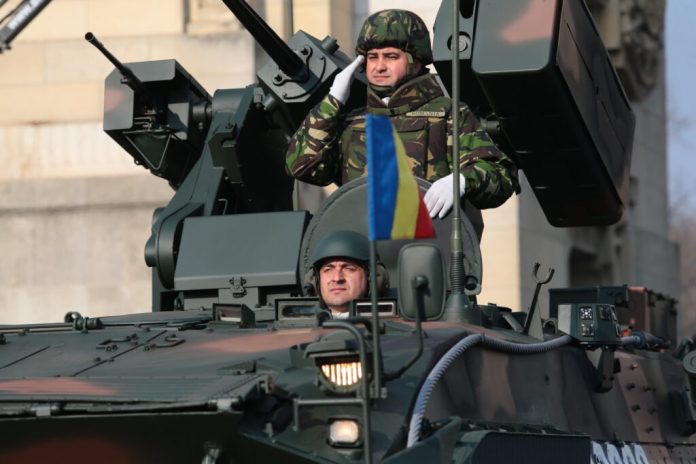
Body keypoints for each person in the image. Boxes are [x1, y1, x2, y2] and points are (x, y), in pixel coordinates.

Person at [286, 9, 519, 219]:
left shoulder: (448, 115)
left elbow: (501, 176)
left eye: (391, 56)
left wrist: (462, 180)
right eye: (372, 57)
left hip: (430, 243)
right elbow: (302, 166)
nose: (379, 66)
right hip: (361, 245)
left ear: (416, 62)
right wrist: (333, 100)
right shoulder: (351, 121)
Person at [310, 230, 380, 318]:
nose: (337, 278)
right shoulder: (297, 325)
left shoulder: (391, 322)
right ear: (316, 280)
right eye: (328, 270)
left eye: (349, 269)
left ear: (370, 277)